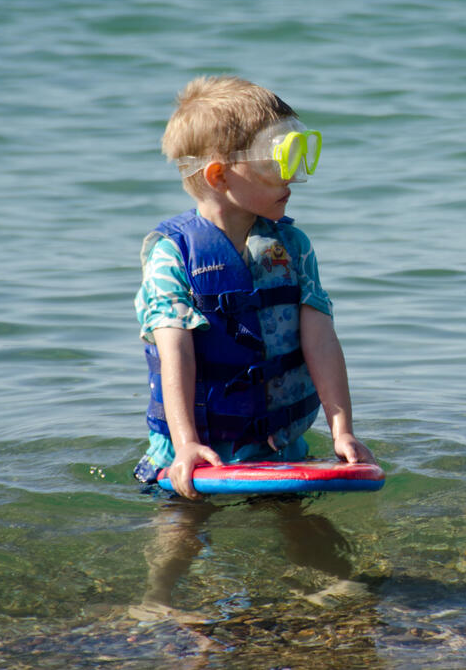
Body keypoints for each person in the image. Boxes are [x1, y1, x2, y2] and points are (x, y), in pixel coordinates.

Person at [132, 75, 374, 500]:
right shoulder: (173, 255)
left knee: (304, 538)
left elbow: (321, 340)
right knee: (180, 542)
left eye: (297, 154)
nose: (293, 176)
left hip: (281, 450)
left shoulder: (291, 247)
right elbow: (175, 352)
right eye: (276, 160)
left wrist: (343, 431)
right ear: (219, 175)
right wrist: (186, 444)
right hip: (190, 455)